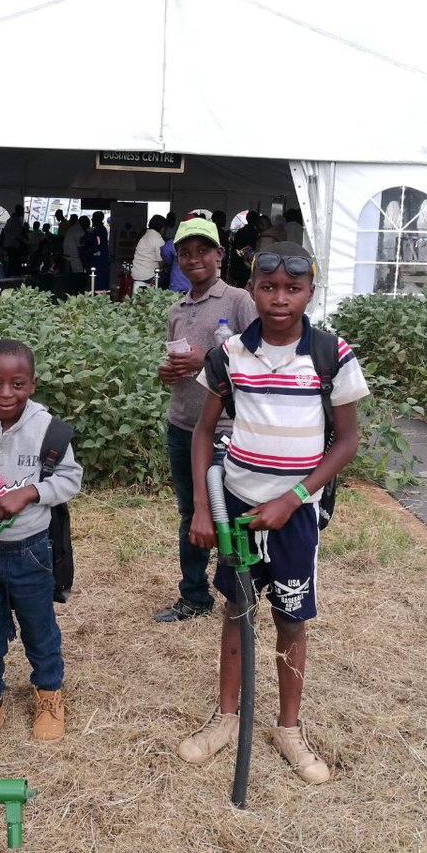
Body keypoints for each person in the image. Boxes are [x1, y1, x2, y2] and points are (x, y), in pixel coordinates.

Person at [179, 243, 369, 784]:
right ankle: (226, 717)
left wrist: (294, 498)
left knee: (291, 617)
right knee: (236, 612)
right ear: (252, 289)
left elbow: (347, 441)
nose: (280, 299)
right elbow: (202, 431)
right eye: (268, 288)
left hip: (296, 515)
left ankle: (288, 727)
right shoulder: (230, 353)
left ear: (311, 291)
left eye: (293, 288)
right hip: (236, 507)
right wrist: (202, 507)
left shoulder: (331, 353)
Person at [0, 340, 83, 747]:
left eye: (17, 384)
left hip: (30, 550)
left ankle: (48, 694)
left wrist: (28, 494)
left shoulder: (49, 431)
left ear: (32, 383)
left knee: (39, 629)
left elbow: (69, 478)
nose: (6, 393)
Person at [154, 218, 256, 624]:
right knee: (189, 513)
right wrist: (168, 372)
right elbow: (178, 366)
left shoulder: (238, 301)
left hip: (227, 430)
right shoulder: (176, 309)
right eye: (185, 252)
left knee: (226, 512)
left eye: (202, 250)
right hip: (182, 425)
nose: (193, 259)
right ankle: (194, 595)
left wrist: (208, 361)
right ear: (177, 260)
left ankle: (237, 592)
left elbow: (260, 360)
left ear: (219, 254)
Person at [130, 214, 167, 293]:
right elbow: (161, 262)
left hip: (136, 274)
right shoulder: (158, 239)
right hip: (149, 277)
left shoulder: (144, 235)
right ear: (162, 228)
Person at [228, 211, 260, 286]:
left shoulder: (241, 232)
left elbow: (236, 248)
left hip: (241, 264)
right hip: (248, 265)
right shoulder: (256, 233)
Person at [85, 210, 111, 291]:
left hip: (99, 261)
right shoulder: (99, 229)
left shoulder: (99, 230)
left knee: (99, 283)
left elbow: (97, 243)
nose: (92, 220)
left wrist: (87, 237)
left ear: (98, 219)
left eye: (93, 218)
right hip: (100, 259)